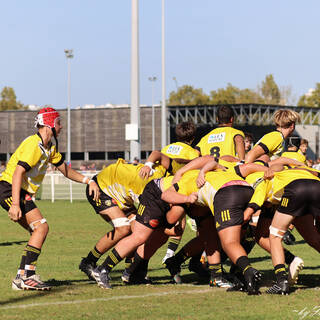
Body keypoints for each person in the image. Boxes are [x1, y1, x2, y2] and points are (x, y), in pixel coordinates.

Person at [0, 107, 100, 291]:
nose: (61, 127)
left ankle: (21, 278)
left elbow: (66, 170)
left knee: (37, 231)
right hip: (9, 189)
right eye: (58, 122)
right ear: (49, 124)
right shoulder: (34, 145)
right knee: (41, 228)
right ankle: (27, 276)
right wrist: (15, 203)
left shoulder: (48, 148)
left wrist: (89, 181)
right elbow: (17, 173)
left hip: (17, 191)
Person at [79, 157, 170, 282]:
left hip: (120, 194)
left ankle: (130, 272)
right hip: (100, 188)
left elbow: (158, 153)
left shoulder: (161, 174)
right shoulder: (149, 188)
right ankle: (89, 262)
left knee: (137, 232)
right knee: (124, 228)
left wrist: (149, 164)